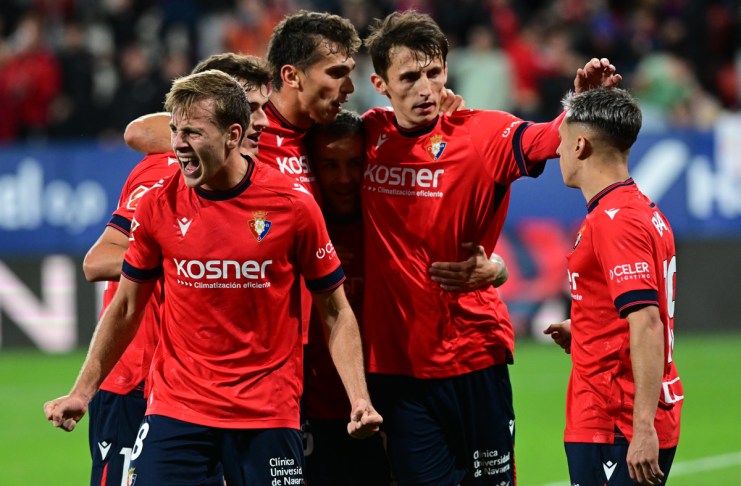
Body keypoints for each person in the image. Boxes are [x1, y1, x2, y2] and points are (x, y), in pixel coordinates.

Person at [45, 70, 381, 486]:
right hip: (177, 410)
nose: (179, 145)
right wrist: (82, 391)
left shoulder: (292, 206)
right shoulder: (157, 205)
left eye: (192, 132)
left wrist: (359, 398)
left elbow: (335, 310)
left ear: (232, 134)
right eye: (174, 131)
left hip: (267, 414)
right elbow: (127, 305)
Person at [360, 10, 621, 485]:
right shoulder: (365, 138)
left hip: (472, 353)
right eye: (409, 77)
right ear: (380, 82)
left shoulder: (481, 134)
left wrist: (583, 103)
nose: (425, 88)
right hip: (397, 369)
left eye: (434, 72)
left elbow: (550, 138)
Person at [80, 52, 272, 486]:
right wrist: (180, 257)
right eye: (251, 107)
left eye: (264, 109)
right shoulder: (162, 172)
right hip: (136, 381)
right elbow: (98, 261)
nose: (262, 122)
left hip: (210, 390)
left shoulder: (262, 181)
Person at [544, 88, 683, 486]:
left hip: (615, 418)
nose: (559, 153)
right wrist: (586, 329)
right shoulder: (640, 208)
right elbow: (631, 310)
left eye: (562, 142)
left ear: (581, 145)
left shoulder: (615, 221)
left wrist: (642, 429)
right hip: (620, 412)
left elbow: (648, 322)